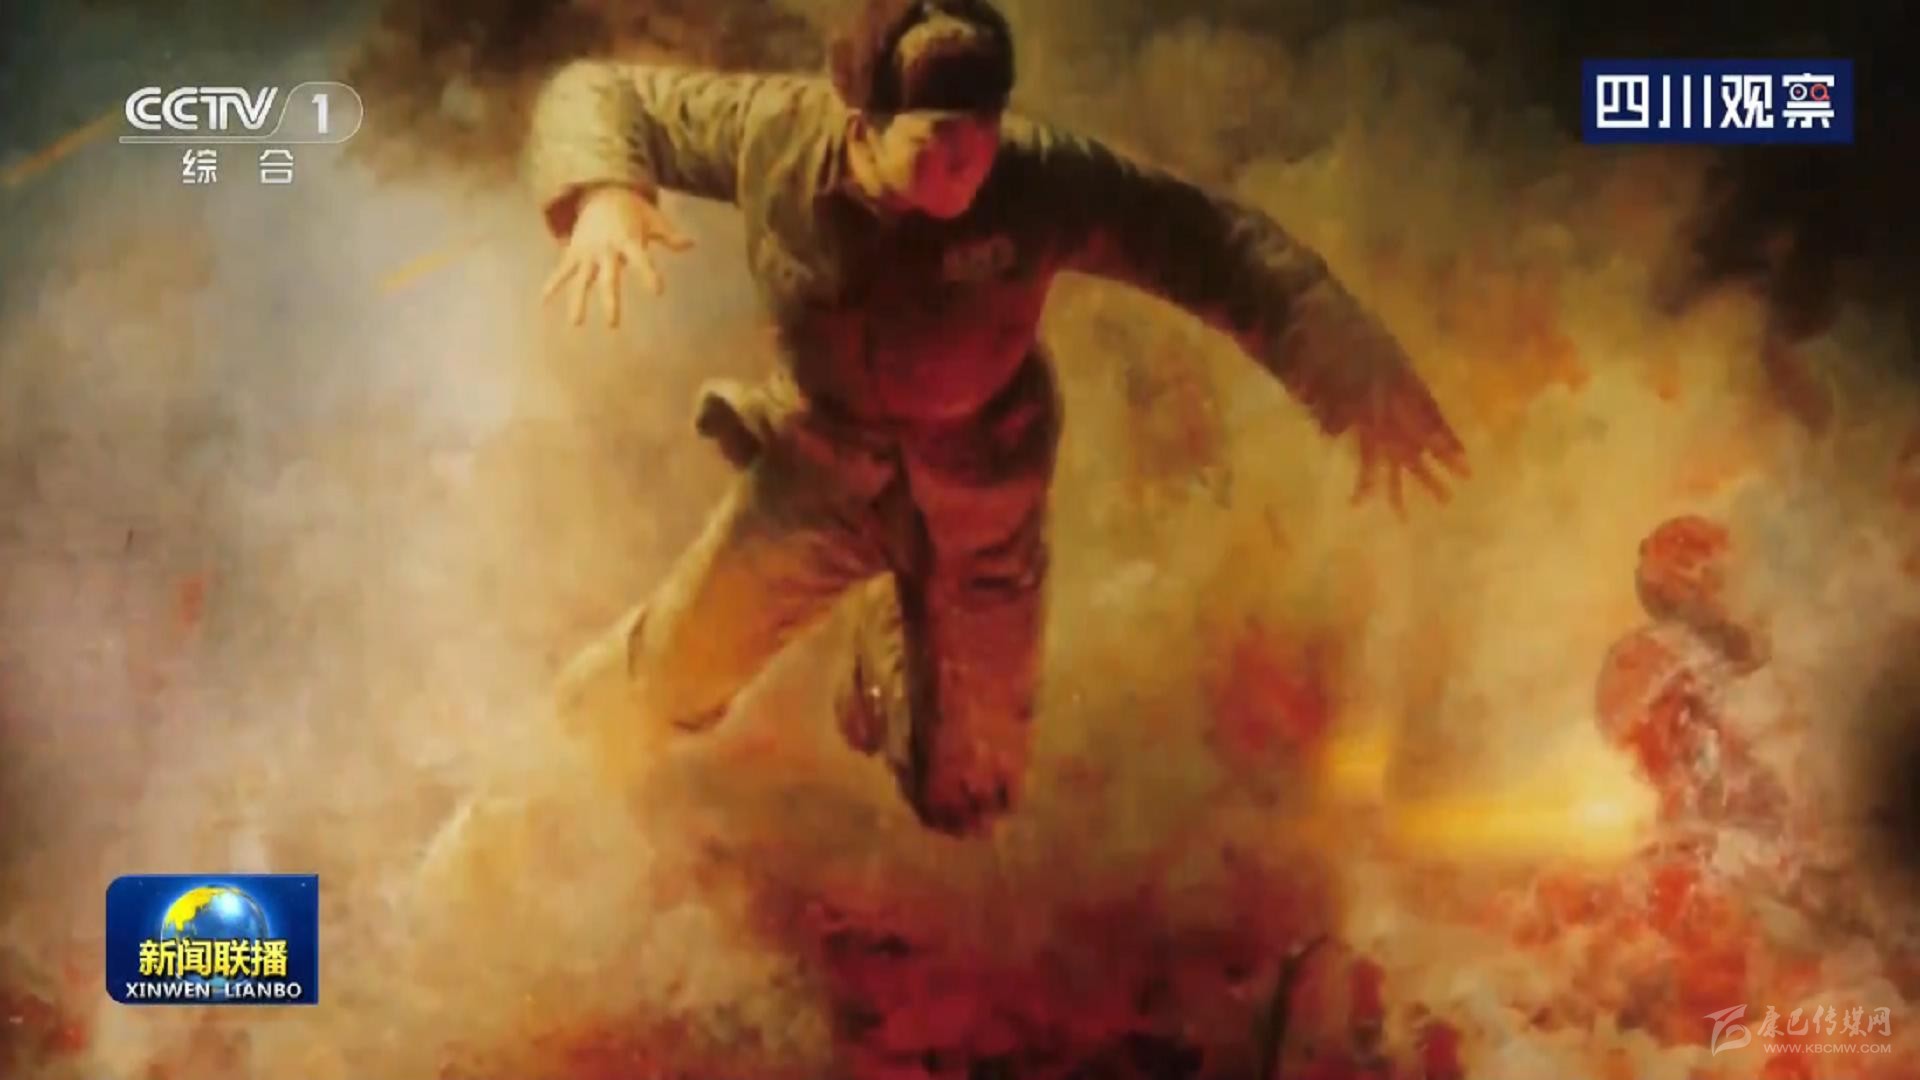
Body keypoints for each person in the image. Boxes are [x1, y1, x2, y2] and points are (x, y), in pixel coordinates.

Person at [528, 0, 1465, 835]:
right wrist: (606, 193)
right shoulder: (774, 134)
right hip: (821, 468)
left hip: (978, 493)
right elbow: (601, 94)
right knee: (667, 677)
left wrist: (1358, 378)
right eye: (937, 141)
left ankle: (888, 637)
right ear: (861, 129)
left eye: (982, 133)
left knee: (966, 797)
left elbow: (1219, 246)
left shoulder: (1038, 176)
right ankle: (534, 800)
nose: (967, 164)